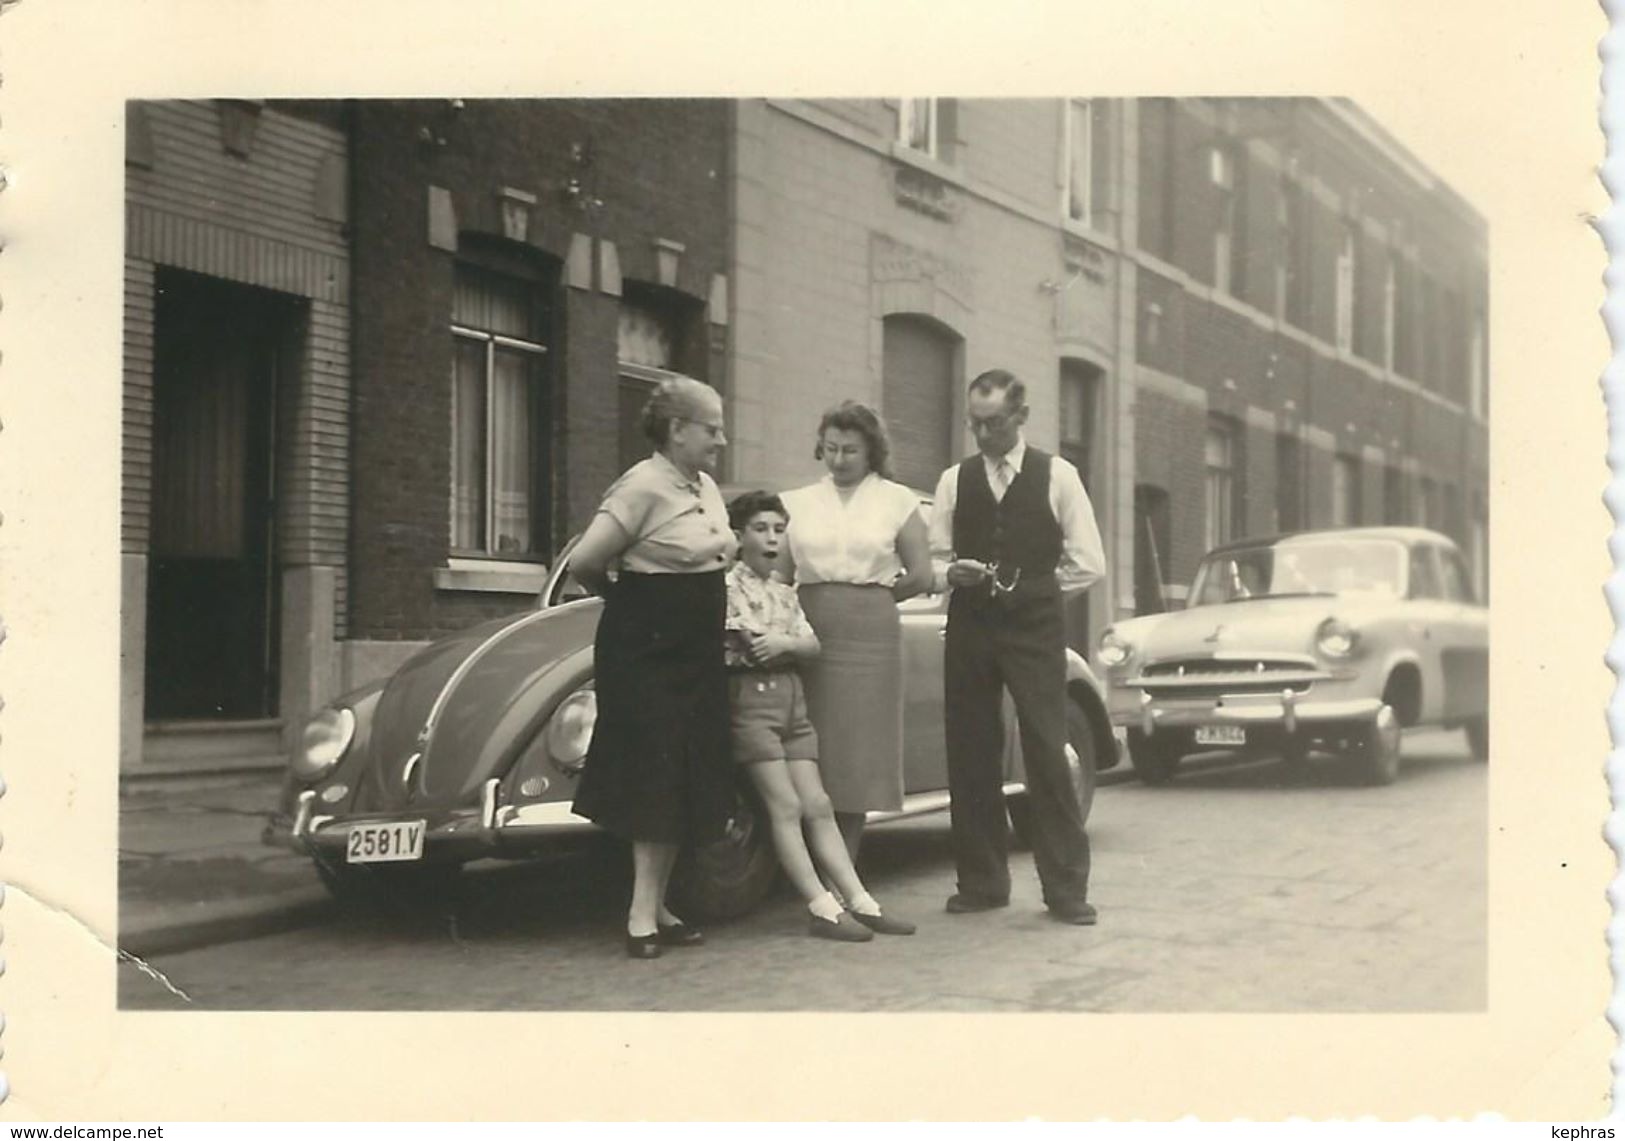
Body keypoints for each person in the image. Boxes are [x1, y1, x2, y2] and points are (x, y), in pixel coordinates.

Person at [929, 369, 1107, 925]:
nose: (983, 436)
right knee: (971, 750)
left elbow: (1089, 562)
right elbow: (933, 558)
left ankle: (1066, 891)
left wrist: (1034, 591)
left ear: (1021, 417)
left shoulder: (1058, 475)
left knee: (1048, 753)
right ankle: (982, 882)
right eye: (974, 424)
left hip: (1035, 629)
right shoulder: (954, 481)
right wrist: (947, 574)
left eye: (995, 423)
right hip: (971, 627)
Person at [569, 376, 737, 959]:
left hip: (696, 648)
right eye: (711, 428)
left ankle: (659, 905)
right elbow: (586, 561)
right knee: (656, 777)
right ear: (676, 430)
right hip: (648, 649)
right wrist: (627, 605)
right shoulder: (641, 485)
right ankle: (641, 914)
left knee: (685, 775)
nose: (721, 438)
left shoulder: (705, 485)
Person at [723, 490, 916, 941]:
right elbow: (754, 643)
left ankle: (860, 900)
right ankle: (821, 905)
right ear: (738, 536)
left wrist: (787, 644)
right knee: (785, 806)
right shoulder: (728, 587)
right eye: (760, 529)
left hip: (792, 700)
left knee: (819, 803)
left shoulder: (784, 592)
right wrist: (788, 644)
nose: (772, 539)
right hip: (752, 702)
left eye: (778, 530)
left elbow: (810, 646)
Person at [780, 401, 934, 863]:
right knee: (813, 747)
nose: (839, 459)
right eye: (830, 449)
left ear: (871, 452)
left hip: (871, 637)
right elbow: (779, 577)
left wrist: (876, 599)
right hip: (810, 626)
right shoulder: (797, 502)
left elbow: (922, 574)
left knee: (857, 756)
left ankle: (843, 871)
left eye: (850, 450)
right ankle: (811, 869)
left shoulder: (896, 500)